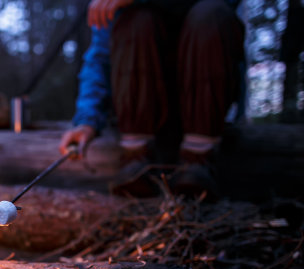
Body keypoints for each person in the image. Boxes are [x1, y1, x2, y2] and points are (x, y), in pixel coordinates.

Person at [59, 0, 245, 198]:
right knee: (135, 19)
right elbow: (100, 58)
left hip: (206, 109)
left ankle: (199, 158)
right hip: (140, 111)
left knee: (211, 14)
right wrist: (87, 120)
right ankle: (135, 158)